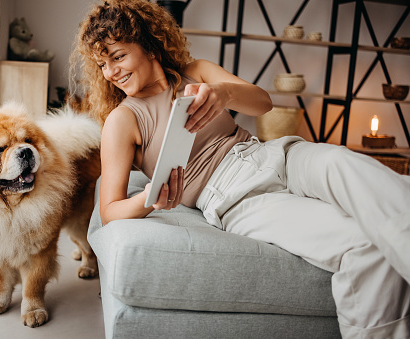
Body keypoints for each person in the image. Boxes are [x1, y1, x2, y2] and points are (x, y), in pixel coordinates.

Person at [73, 0, 410, 337]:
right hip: (236, 196)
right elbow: (110, 209)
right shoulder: (123, 119)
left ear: (148, 45)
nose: (111, 72)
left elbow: (263, 103)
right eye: (102, 64)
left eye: (117, 57)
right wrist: (148, 198)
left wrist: (224, 93)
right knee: (364, 246)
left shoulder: (198, 71)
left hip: (274, 155)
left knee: (349, 165)